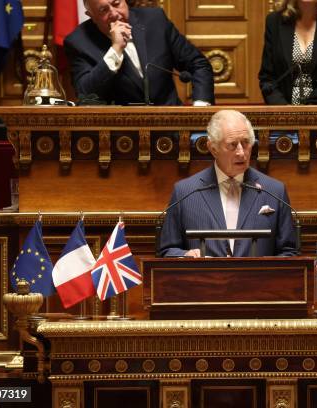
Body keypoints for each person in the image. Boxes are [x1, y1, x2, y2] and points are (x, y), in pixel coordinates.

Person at [159, 110, 297, 258]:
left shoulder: (274, 191)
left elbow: (289, 252)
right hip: (204, 279)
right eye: (232, 145)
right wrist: (186, 255)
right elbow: (167, 251)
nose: (241, 153)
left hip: (258, 280)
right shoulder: (185, 192)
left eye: (245, 143)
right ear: (213, 148)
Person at [64, 0, 214, 106]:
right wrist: (115, 50)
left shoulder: (155, 20)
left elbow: (198, 64)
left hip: (171, 126)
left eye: (116, 4)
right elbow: (86, 94)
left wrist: (200, 107)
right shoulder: (79, 41)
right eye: (104, 10)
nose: (115, 14)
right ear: (91, 15)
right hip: (120, 135)